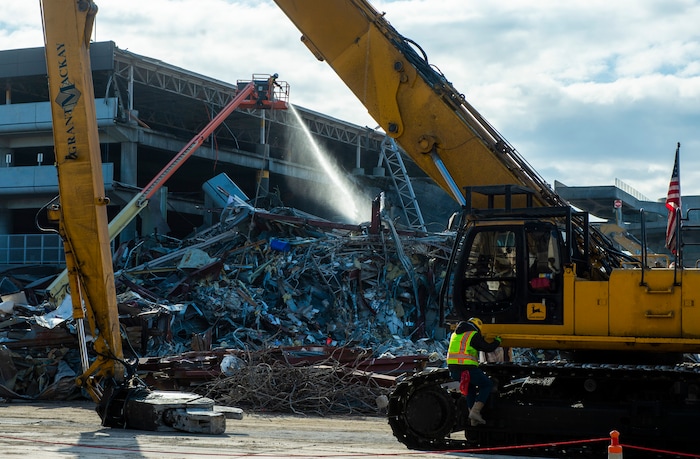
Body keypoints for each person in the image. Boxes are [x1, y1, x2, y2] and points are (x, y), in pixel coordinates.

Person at [446, 317, 502, 425]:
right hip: (467, 368)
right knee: (487, 384)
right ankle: (475, 412)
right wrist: (497, 341)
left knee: (470, 388)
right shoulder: (472, 334)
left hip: (453, 369)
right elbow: (487, 347)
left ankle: (473, 418)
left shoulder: (455, 334)